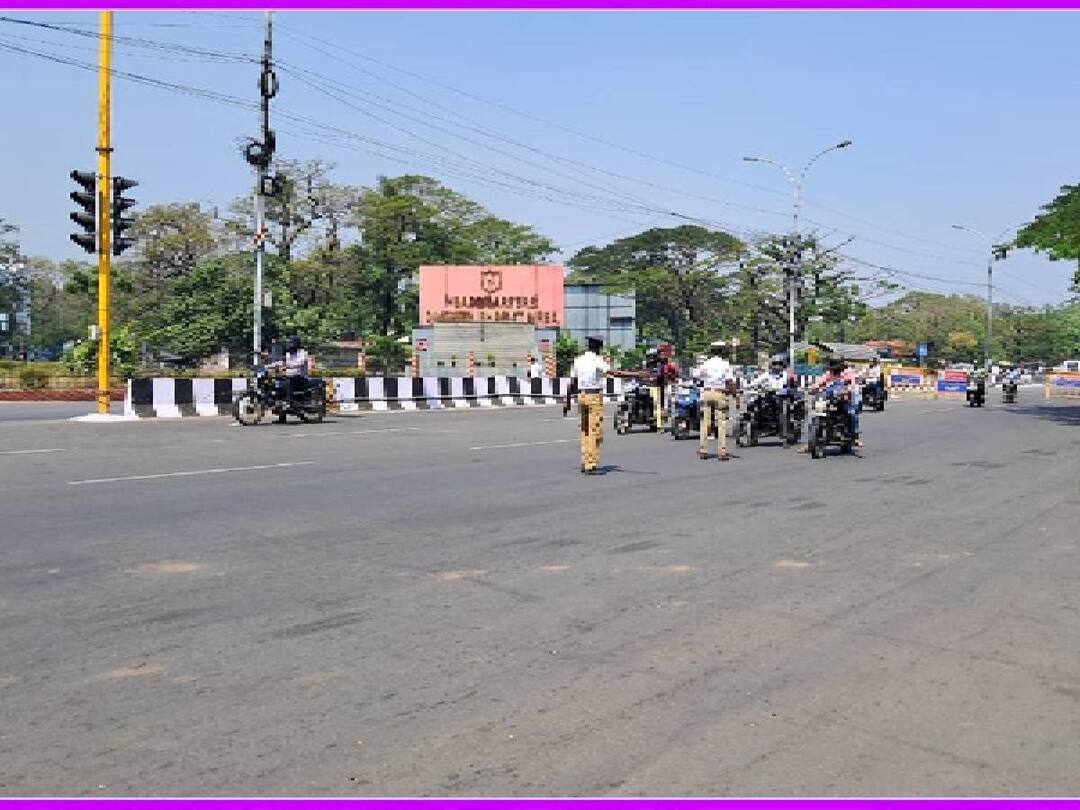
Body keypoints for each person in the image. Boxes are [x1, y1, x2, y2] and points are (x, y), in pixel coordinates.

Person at [570, 336, 611, 474]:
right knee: (595, 430)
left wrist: (567, 401)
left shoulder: (578, 360)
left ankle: (585, 459)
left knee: (585, 429)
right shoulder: (596, 360)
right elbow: (612, 372)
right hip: (594, 396)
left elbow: (573, 382)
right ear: (598, 347)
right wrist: (635, 374)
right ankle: (590, 463)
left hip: (581, 396)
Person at [696, 340, 736, 461]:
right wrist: (734, 394)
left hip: (707, 392)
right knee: (721, 423)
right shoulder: (725, 364)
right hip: (719, 392)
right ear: (723, 351)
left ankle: (703, 450)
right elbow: (729, 381)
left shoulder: (706, 364)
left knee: (705, 422)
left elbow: (698, 377)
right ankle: (722, 452)